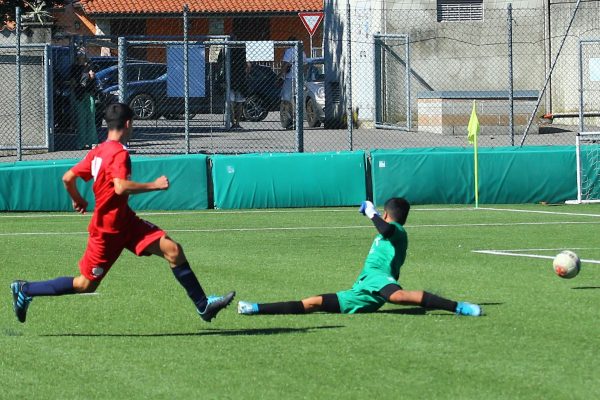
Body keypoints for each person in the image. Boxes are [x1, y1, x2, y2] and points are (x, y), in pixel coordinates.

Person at [10, 103, 235, 324]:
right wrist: (154, 185)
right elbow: (120, 186)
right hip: (107, 231)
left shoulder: (98, 151)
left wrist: (78, 199)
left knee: (173, 250)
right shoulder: (119, 153)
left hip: (126, 222)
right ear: (128, 124)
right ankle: (25, 289)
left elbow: (67, 177)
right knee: (85, 285)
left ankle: (202, 305)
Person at [238, 198, 482, 316]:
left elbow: (386, 229)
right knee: (311, 303)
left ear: (387, 214)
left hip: (378, 278)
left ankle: (457, 307)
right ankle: (254, 308)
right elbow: (383, 230)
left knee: (397, 296)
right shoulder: (388, 231)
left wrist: (370, 212)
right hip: (363, 288)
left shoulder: (397, 231)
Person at [278, 37, 306, 129]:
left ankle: (290, 119)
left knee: (286, 99)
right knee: (297, 99)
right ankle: (298, 119)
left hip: (290, 78)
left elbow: (285, 65)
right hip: (299, 78)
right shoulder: (302, 52)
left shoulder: (289, 51)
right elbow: (305, 65)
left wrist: (280, 75)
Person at [72, 51, 99, 149]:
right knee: (81, 119)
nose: (81, 56)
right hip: (79, 94)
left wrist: (85, 77)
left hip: (89, 93)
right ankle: (81, 143)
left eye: (82, 54)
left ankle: (93, 142)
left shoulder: (90, 65)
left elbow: (92, 76)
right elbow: (74, 82)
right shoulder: (74, 67)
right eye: (79, 54)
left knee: (91, 118)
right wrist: (86, 76)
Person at [229, 40, 249, 130]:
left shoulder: (228, 53)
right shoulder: (243, 54)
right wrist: (246, 74)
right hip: (240, 81)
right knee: (239, 103)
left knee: (231, 103)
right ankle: (236, 122)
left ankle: (233, 122)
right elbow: (248, 66)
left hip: (232, 80)